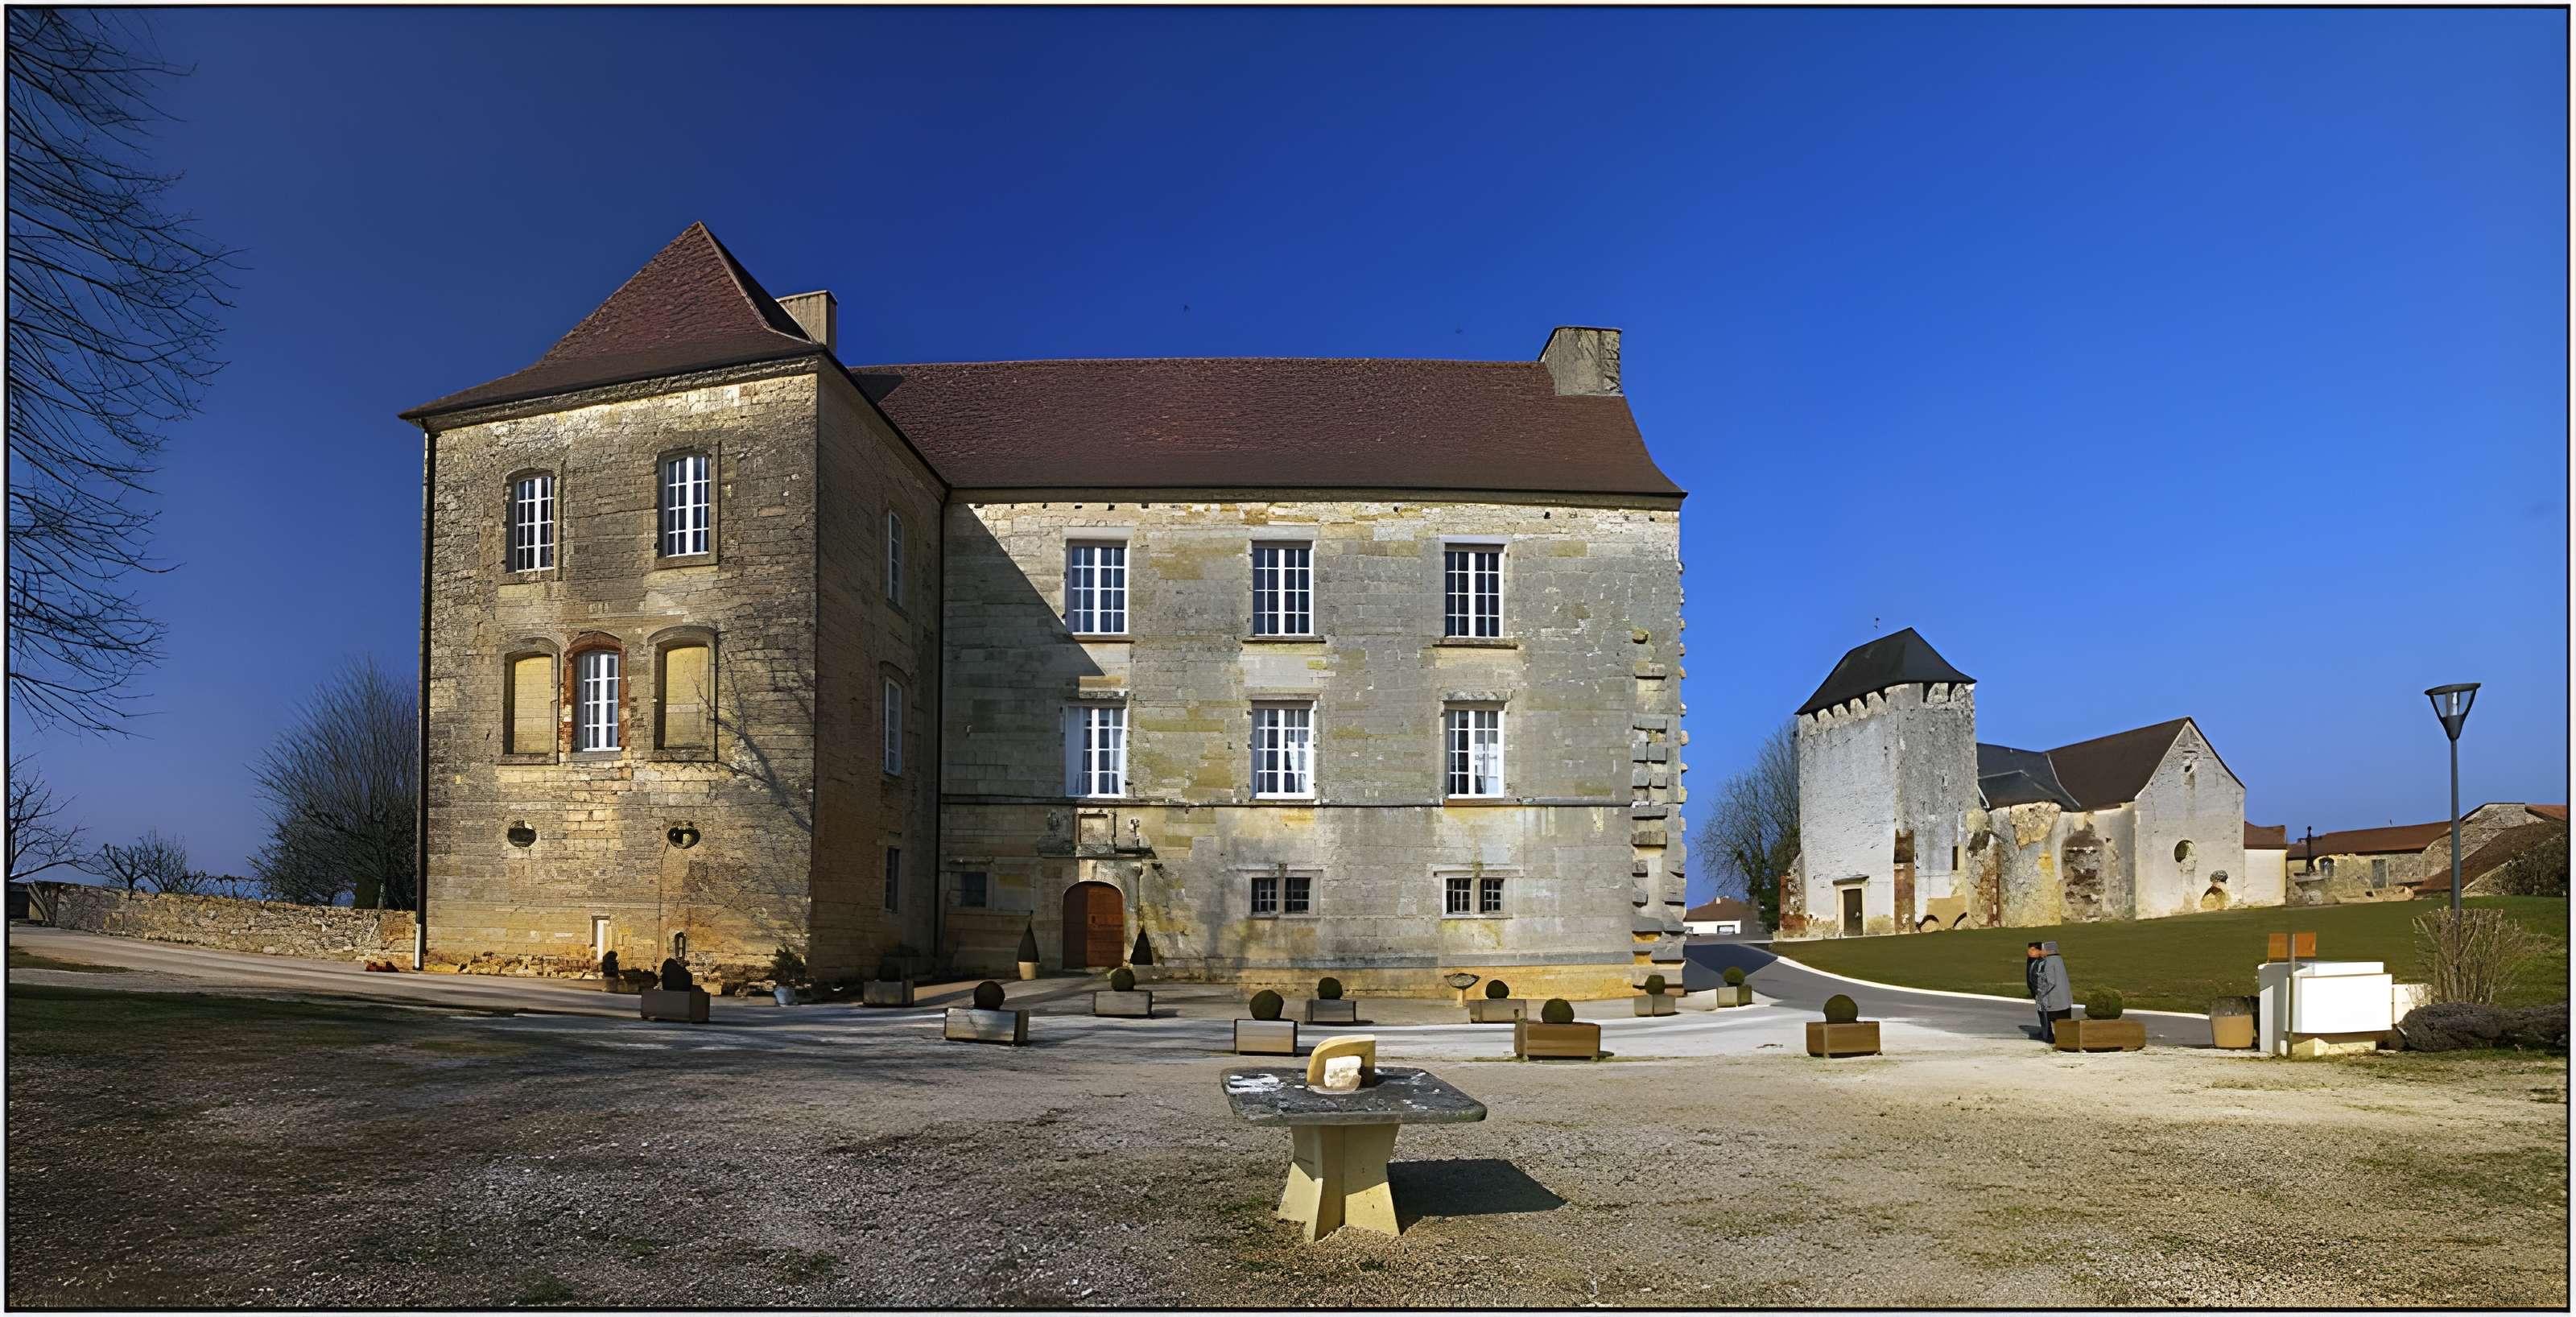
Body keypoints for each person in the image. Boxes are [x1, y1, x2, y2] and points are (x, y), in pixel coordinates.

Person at [2026, 940, 2072, 1042]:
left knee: (2053, 1019)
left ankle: (2051, 1038)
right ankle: (2066, 1040)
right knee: (2064, 1022)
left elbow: (2051, 982)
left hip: (2055, 999)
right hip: (2064, 999)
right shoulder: (2058, 959)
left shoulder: (2049, 962)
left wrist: (2040, 993)